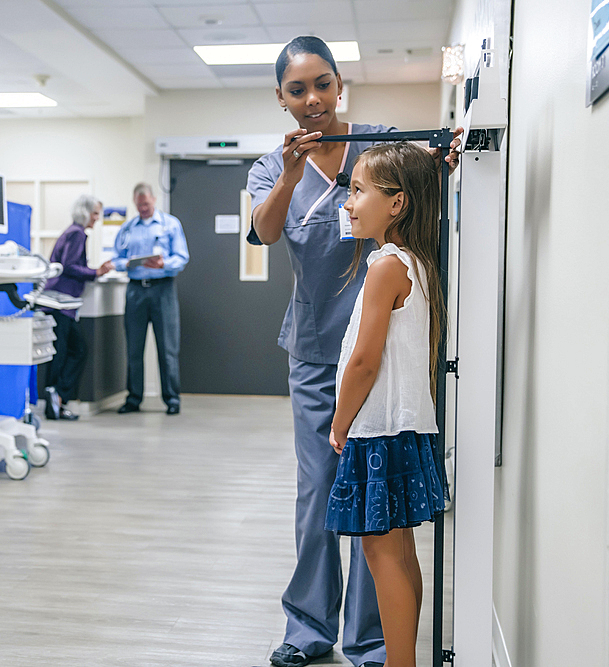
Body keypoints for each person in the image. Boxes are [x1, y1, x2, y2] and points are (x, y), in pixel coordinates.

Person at [245, 36, 461, 667]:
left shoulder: (380, 142)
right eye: (296, 89)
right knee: (318, 490)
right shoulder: (269, 166)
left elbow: (421, 181)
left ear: (340, 84)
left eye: (322, 84)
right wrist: (290, 174)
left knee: (373, 495)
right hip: (316, 353)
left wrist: (445, 159)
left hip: (385, 352)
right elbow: (264, 230)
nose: (312, 99)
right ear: (281, 99)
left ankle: (369, 641)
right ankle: (309, 628)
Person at [327, 142, 450, 667]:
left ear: (397, 203)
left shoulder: (386, 267)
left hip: (378, 429)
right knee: (399, 552)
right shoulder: (413, 262)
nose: (349, 203)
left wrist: (339, 421)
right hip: (405, 428)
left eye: (359, 190)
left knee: (381, 554)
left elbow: (363, 362)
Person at [111, 183, 189, 415]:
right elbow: (116, 257)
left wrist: (164, 263)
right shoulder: (127, 229)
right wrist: (124, 263)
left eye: (146, 204)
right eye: (139, 205)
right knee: (134, 348)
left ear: (154, 200)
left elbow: (182, 257)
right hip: (135, 290)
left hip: (162, 289)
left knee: (167, 348)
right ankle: (134, 398)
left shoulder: (170, 225)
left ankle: (172, 399)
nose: (143, 208)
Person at [41, 194, 113, 420]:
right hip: (61, 305)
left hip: (62, 305)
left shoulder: (72, 232)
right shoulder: (77, 234)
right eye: (94, 213)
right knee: (69, 352)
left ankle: (58, 401)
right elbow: (70, 266)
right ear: (85, 213)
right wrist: (95, 272)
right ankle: (56, 400)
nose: (97, 219)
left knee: (69, 352)